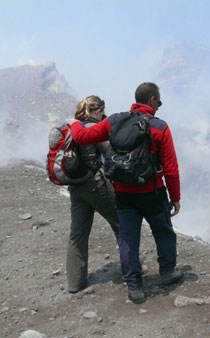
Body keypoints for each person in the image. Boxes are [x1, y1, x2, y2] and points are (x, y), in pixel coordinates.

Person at [69, 83, 182, 304]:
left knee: (128, 238)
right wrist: (175, 198)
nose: (159, 106)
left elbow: (82, 137)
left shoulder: (113, 122)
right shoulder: (160, 127)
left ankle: (134, 286)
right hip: (152, 191)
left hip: (123, 193)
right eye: (158, 101)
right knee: (164, 232)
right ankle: (167, 273)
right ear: (151, 100)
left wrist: (74, 124)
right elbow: (171, 168)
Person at [67, 95, 120, 293]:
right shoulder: (91, 128)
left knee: (78, 234)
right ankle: (132, 269)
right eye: (102, 112)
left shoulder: (74, 125)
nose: (103, 116)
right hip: (96, 184)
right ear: (97, 110)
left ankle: (75, 283)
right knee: (121, 224)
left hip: (75, 187)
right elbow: (109, 150)